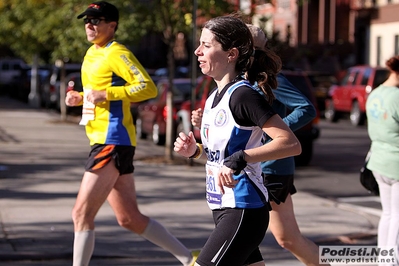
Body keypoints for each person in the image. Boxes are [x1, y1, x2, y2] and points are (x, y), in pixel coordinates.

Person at [66, 2, 197, 265]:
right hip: (102, 138)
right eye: (86, 21)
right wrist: (79, 98)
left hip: (112, 139)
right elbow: (98, 94)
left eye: (96, 20)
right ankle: (190, 260)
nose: (89, 25)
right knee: (128, 218)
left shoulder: (118, 53)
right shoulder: (92, 53)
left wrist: (108, 93)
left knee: (81, 213)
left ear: (112, 26)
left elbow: (148, 88)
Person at [191, 24, 329, 266]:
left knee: (288, 238)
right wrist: (199, 142)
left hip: (267, 173)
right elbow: (223, 146)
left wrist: (258, 140)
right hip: (229, 195)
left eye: (207, 45)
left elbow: (301, 116)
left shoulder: (254, 86)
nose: (198, 51)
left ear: (236, 52)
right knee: (283, 240)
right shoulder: (221, 91)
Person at [174, 15, 301, 266]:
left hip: (243, 208)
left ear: (231, 54)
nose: (197, 51)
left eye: (206, 46)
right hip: (223, 207)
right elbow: (220, 157)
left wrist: (242, 158)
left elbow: (290, 143)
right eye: (199, 44)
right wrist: (194, 152)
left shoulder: (243, 95)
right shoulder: (213, 97)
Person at [366, 55, 399, 266]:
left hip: (378, 160)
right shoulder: (397, 97)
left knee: (388, 213)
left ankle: (384, 260)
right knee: (398, 216)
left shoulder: (376, 93)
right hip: (396, 161)